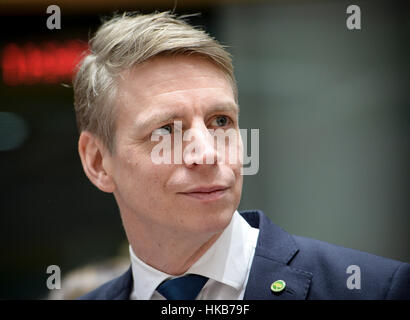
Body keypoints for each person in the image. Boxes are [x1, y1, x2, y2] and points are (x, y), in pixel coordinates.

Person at [73, 11, 409, 300]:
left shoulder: (376, 288)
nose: (207, 153)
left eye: (221, 121)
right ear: (98, 162)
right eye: (166, 130)